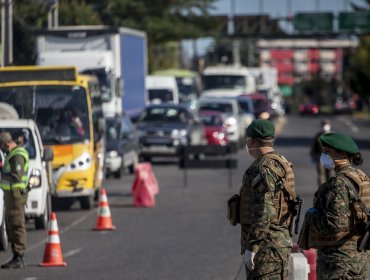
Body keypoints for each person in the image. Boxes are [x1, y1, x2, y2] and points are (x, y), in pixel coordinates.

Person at [304, 132, 370, 279]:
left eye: (327, 152)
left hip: (339, 262)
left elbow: (335, 224)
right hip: (359, 258)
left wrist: (311, 215)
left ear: (341, 154)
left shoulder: (338, 184)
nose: (324, 156)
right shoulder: (361, 176)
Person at [240, 119, 297, 279]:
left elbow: (264, 210)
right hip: (278, 242)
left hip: (266, 246)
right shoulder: (281, 162)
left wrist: (253, 246)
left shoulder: (262, 168)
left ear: (251, 141)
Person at [0, 132, 29, 269]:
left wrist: (2, 173)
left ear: (6, 144)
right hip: (12, 195)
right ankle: (16, 255)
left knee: (17, 224)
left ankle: (19, 257)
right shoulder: (12, 154)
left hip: (16, 195)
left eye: (2, 147)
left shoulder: (17, 155)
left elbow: (17, 176)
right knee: (11, 223)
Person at [310, 119, 332, 185]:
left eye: (327, 125)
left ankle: (329, 189)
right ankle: (321, 190)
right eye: (324, 125)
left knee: (329, 175)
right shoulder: (318, 136)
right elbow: (314, 147)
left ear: (330, 126)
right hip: (320, 157)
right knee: (321, 175)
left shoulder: (333, 136)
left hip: (330, 158)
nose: (325, 126)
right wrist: (313, 156)